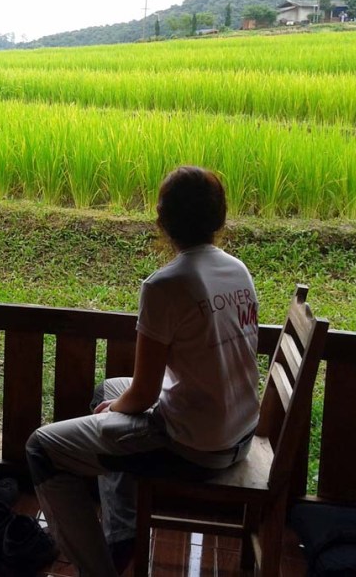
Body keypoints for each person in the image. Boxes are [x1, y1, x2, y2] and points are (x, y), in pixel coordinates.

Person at [26, 166, 259, 576]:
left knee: (42, 449)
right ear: (220, 219)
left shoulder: (164, 285)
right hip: (238, 431)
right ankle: (121, 536)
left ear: (162, 221)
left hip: (194, 447)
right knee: (105, 391)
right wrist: (117, 403)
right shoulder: (237, 270)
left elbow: (144, 395)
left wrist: (122, 406)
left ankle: (98, 569)